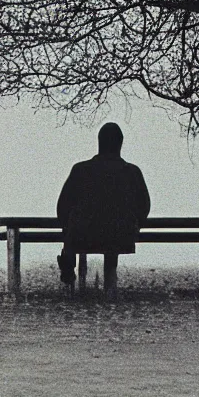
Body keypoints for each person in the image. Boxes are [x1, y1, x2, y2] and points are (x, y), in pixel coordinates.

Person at [56, 122, 150, 295]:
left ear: (99, 142)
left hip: (82, 235)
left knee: (77, 223)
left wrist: (68, 227)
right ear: (120, 144)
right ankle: (109, 287)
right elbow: (144, 206)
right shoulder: (132, 173)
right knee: (111, 230)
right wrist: (134, 225)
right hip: (122, 235)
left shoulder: (80, 170)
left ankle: (68, 262)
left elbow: (62, 206)